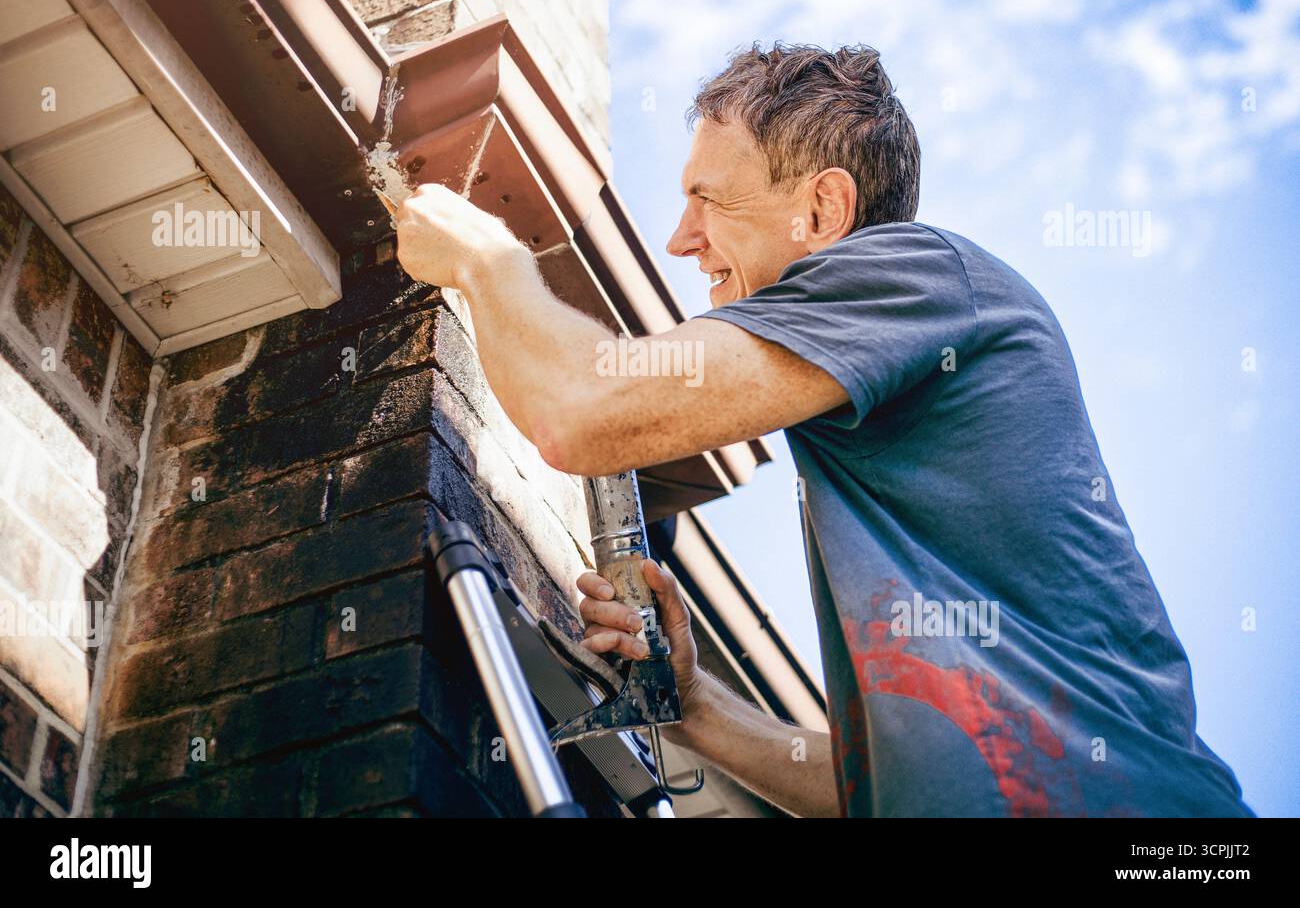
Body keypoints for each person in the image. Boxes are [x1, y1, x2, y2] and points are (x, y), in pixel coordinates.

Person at [393, 41, 1253, 818]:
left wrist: (484, 260)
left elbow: (579, 410)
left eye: (707, 199)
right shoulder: (882, 403)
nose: (680, 238)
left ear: (822, 209)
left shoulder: (913, 273)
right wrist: (697, 708)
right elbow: (869, 791)